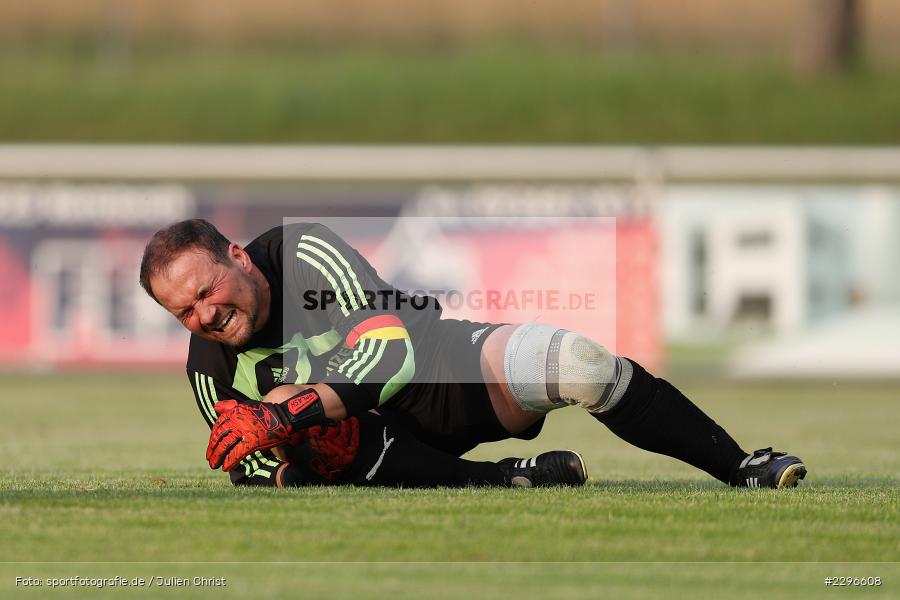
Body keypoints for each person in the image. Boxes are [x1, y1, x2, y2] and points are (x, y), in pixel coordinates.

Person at [140, 219, 806, 490]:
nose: (203, 316)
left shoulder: (301, 253)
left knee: (580, 364)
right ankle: (509, 481)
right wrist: (292, 463)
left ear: (238, 257)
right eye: (183, 313)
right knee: (292, 429)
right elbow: (251, 468)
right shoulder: (210, 368)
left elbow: (390, 352)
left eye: (204, 292)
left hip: (443, 373)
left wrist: (293, 414)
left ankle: (740, 465)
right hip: (377, 453)